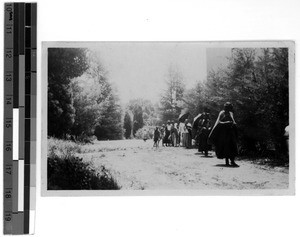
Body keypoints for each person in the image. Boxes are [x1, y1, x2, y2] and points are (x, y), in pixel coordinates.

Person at [208, 102, 239, 167]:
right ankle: (227, 161)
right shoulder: (222, 113)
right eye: (227, 108)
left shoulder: (231, 113)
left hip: (230, 132)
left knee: (232, 146)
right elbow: (219, 122)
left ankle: (232, 161)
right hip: (223, 133)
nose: (227, 109)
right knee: (225, 147)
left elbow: (233, 121)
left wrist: (233, 124)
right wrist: (226, 122)